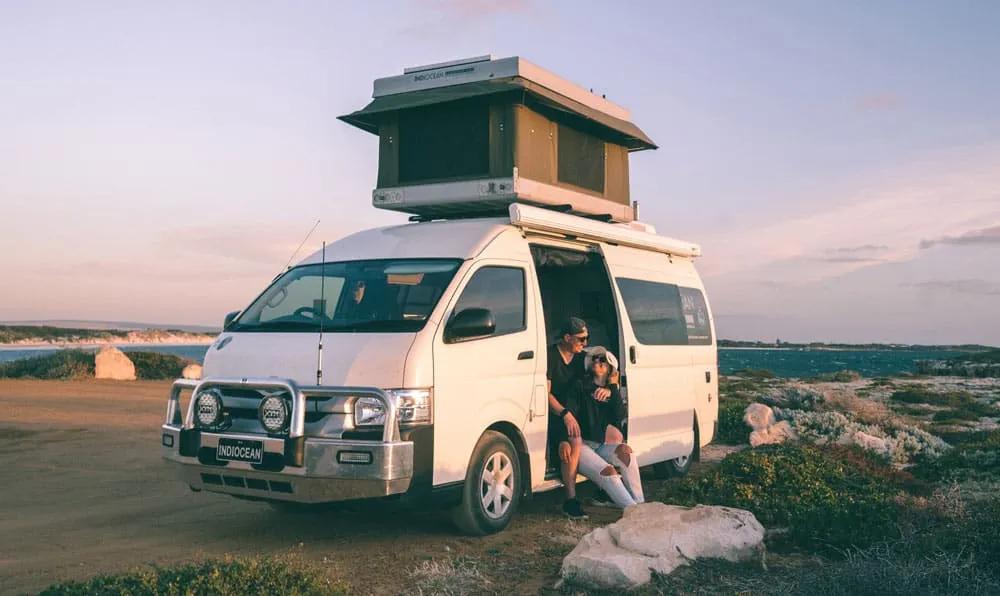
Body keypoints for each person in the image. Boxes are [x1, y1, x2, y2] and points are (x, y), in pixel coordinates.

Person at [560, 346, 644, 508]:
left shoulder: (611, 391)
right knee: (609, 472)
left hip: (600, 446)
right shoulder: (580, 386)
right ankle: (632, 510)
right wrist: (563, 440)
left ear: (611, 369)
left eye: (603, 360)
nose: (597, 361)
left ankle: (640, 504)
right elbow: (568, 416)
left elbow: (620, 415)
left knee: (627, 453)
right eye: (595, 358)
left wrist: (612, 389)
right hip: (581, 446)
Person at [547, 317, 611, 519]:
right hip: (555, 413)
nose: (585, 343)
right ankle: (571, 500)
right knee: (573, 439)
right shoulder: (550, 356)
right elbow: (546, 393)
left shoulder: (583, 358)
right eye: (581, 339)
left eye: (587, 338)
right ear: (567, 337)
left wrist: (609, 389)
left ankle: (604, 487)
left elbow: (610, 369)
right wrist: (564, 415)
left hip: (575, 413)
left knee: (610, 432)